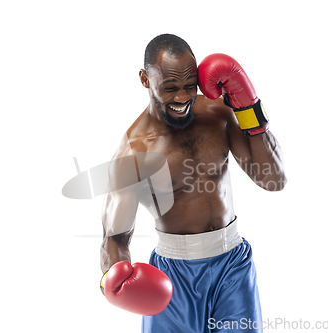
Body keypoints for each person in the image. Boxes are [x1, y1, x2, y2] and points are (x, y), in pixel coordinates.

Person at [99, 34, 286, 333]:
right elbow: (114, 237)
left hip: (233, 266)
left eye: (189, 86)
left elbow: (273, 180)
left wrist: (249, 108)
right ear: (146, 80)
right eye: (170, 88)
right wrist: (112, 278)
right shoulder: (134, 153)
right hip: (173, 277)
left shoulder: (217, 114)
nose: (182, 98)